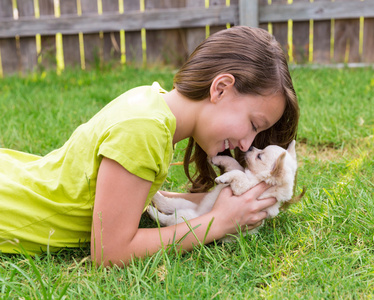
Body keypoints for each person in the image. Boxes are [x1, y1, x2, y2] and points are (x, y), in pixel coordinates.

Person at [0, 26, 299, 267]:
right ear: (220, 88)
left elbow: (132, 199)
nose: (246, 144)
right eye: (253, 124)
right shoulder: (143, 130)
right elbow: (110, 252)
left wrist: (235, 203)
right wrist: (217, 222)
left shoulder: (151, 103)